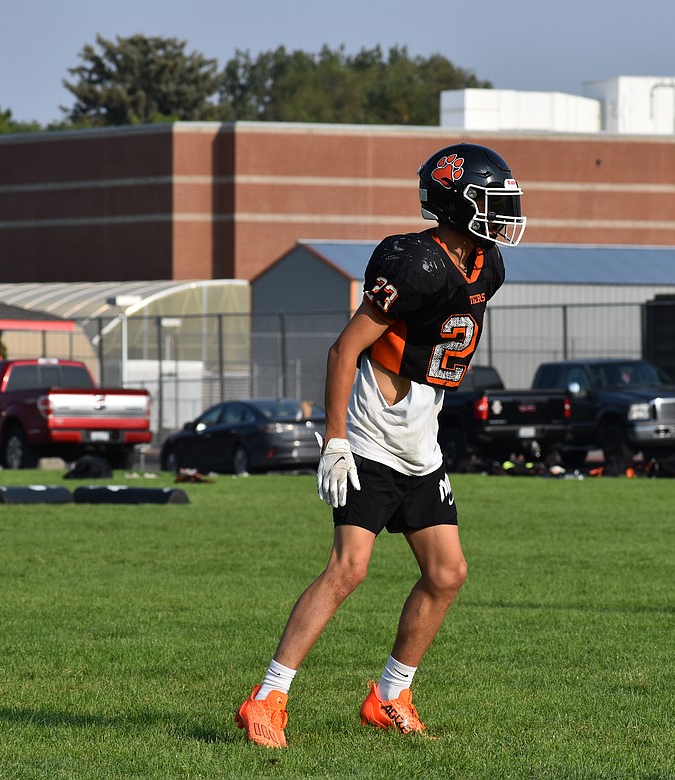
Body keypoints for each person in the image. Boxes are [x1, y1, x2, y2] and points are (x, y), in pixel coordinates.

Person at [234, 143, 525, 748]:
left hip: (422, 434)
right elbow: (345, 350)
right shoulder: (416, 263)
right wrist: (336, 439)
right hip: (372, 428)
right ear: (454, 203)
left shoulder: (486, 264)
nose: (504, 212)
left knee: (447, 573)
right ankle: (268, 696)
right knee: (350, 568)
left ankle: (389, 693)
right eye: (491, 201)